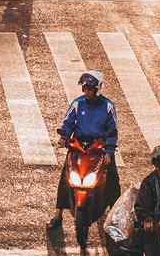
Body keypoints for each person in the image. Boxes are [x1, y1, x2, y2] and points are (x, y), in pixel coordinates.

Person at [50, 70, 119, 239]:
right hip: (78, 146)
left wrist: (109, 151)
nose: (87, 92)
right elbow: (68, 123)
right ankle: (58, 213)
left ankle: (116, 214)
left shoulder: (108, 106)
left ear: (98, 89)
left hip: (100, 148)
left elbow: (112, 131)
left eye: (90, 89)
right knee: (65, 176)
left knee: (112, 177)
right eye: (85, 88)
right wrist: (63, 137)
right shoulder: (77, 104)